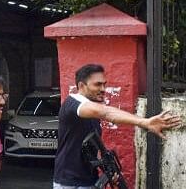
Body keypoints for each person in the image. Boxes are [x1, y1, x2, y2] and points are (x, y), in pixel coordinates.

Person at [53, 64, 182, 189]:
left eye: (104, 84)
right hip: (70, 183)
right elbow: (106, 112)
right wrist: (146, 122)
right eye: (98, 84)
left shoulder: (91, 109)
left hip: (88, 180)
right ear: (81, 85)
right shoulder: (73, 103)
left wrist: (106, 172)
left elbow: (85, 149)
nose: (103, 89)